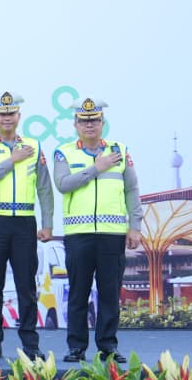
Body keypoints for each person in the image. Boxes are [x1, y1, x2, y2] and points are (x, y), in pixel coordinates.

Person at [53, 98, 143, 363]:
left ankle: (108, 346)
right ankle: (76, 347)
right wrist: (96, 168)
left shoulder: (120, 151)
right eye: (84, 120)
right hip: (78, 234)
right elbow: (63, 184)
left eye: (94, 120)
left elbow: (132, 190)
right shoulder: (64, 152)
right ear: (75, 124)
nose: (89, 125)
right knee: (78, 293)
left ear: (103, 123)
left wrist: (135, 226)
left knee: (109, 294)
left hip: (112, 233)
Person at [0, 92, 54, 360]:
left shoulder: (34, 145)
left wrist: (47, 223)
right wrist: (12, 160)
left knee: (26, 286)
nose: (6, 118)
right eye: (2, 114)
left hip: (24, 223)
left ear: (19, 116)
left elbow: (44, 187)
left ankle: (31, 344)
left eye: (11, 114)